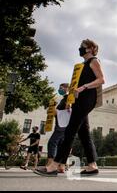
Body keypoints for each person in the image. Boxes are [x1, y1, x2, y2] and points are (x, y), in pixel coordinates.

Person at [34, 39, 105, 177]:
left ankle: (54, 165)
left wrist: (84, 87)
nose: (80, 49)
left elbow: (101, 79)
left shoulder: (94, 61)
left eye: (82, 47)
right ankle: (92, 165)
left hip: (86, 99)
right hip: (79, 100)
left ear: (90, 49)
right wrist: (70, 100)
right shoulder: (82, 65)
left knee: (70, 132)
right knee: (84, 133)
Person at [46, 83, 70, 173]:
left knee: (52, 142)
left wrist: (54, 109)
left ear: (67, 89)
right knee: (61, 145)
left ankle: (50, 164)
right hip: (61, 125)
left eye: (61, 88)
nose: (59, 89)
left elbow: (66, 111)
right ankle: (61, 166)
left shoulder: (67, 98)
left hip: (62, 125)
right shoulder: (64, 99)